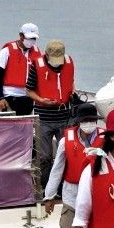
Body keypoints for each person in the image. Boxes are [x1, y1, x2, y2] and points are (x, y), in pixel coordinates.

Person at [43, 102, 103, 228]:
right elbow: (57, 169)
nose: (89, 124)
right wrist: (49, 196)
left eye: (92, 120)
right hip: (72, 196)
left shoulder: (107, 140)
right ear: (78, 122)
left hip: (98, 194)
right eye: (85, 121)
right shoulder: (65, 142)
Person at [26, 39, 76, 188]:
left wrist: (72, 91)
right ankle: (46, 187)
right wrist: (41, 100)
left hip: (65, 116)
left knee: (67, 154)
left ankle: (63, 185)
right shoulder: (37, 65)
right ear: (46, 55)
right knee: (44, 156)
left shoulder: (69, 62)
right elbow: (29, 90)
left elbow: (71, 80)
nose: (58, 63)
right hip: (44, 117)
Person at [0, 23, 41, 115]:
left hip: (28, 97)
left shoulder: (37, 52)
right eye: (29, 38)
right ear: (21, 36)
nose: (31, 41)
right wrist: (0, 97)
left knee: (25, 126)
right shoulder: (6, 51)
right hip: (9, 95)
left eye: (34, 39)